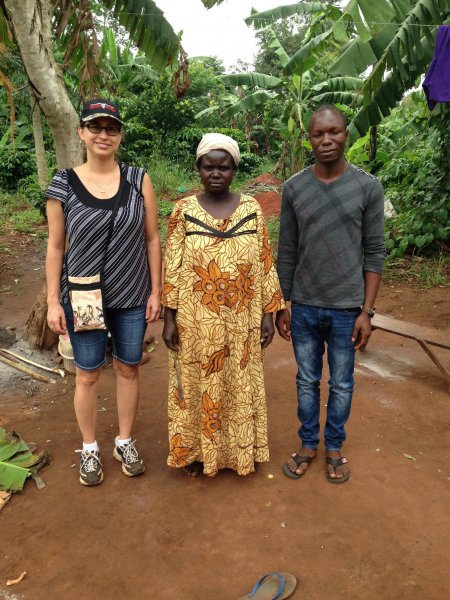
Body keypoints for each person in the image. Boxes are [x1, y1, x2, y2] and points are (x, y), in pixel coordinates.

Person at [46, 98, 162, 486]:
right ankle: (91, 448)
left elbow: (151, 237)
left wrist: (156, 290)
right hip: (82, 297)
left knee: (128, 368)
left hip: (131, 293)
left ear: (120, 136)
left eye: (111, 128)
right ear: (81, 132)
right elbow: (56, 247)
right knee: (88, 375)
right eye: (95, 127)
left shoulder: (137, 178)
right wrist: (51, 301)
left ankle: (124, 441)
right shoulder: (63, 183)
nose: (103, 134)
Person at [162, 133, 285, 477]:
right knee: (198, 385)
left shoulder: (251, 209)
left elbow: (264, 262)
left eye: (224, 166)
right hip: (195, 321)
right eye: (208, 166)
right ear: (198, 169)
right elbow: (171, 265)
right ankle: (199, 454)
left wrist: (268, 314)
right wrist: (169, 318)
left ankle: (237, 454)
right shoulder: (183, 211)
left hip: (242, 322)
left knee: (238, 384)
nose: (216, 173)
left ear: (234, 169)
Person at [276, 105, 385, 484]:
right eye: (318, 134)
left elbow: (375, 251)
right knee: (306, 380)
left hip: (346, 309)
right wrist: (282, 305)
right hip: (304, 306)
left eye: (334, 132)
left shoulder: (367, 187)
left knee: (341, 383)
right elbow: (286, 251)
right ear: (309, 138)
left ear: (345, 134)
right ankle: (308, 443)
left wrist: (366, 312)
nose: (326, 140)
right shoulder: (293, 188)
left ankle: (334, 446)